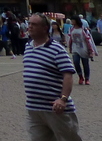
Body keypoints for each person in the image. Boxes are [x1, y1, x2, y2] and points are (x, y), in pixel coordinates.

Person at [23, 12, 83, 141]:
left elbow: (68, 74)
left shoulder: (56, 49)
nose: (30, 27)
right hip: (34, 107)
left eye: (34, 24)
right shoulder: (28, 46)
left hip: (55, 108)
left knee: (68, 138)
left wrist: (63, 99)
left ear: (45, 28)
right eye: (29, 24)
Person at [66, 17, 97, 86]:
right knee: (76, 62)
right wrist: (70, 47)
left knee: (85, 64)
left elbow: (88, 40)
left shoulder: (83, 29)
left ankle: (87, 78)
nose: (72, 22)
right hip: (75, 48)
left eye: (73, 20)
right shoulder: (71, 29)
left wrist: (91, 50)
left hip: (83, 48)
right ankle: (80, 76)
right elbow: (70, 39)